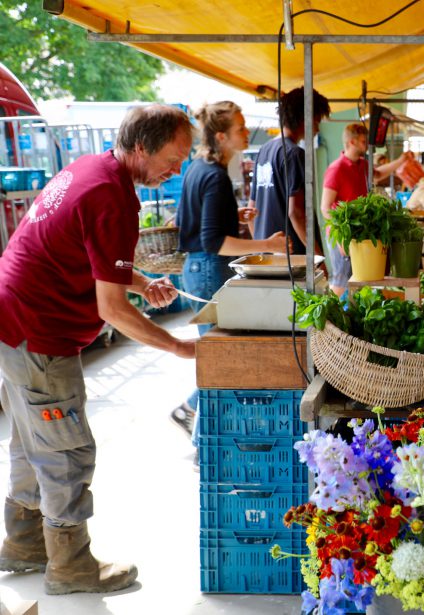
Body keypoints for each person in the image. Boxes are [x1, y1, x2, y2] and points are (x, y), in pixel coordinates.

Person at [0, 104, 196, 594]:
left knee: (31, 441)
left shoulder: (91, 169)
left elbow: (94, 258)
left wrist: (141, 281)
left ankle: (25, 543)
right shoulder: (113, 196)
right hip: (39, 331)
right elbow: (111, 309)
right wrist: (175, 346)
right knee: (66, 449)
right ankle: (69, 567)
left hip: (14, 322)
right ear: (140, 147)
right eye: (173, 159)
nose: (177, 170)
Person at [171, 102, 287, 439]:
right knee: (221, 361)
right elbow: (215, 243)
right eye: (240, 127)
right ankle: (200, 441)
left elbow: (189, 223)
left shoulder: (198, 168)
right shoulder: (216, 177)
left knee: (217, 356)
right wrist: (268, 244)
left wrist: (234, 218)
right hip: (208, 268)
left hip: (197, 267)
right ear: (221, 136)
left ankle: (190, 410)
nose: (246, 131)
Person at [320, 123, 415, 297]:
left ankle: (347, 318)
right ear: (352, 141)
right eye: (363, 140)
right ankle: (330, 320)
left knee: (357, 281)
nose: (367, 144)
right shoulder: (336, 169)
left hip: (359, 235)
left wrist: (402, 160)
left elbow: (378, 175)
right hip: (342, 234)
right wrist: (341, 236)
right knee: (341, 280)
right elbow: (325, 207)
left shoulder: (362, 165)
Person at [249, 87, 330, 254]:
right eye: (316, 121)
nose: (317, 129)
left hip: (268, 256)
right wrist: (317, 257)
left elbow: (252, 209)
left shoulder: (264, 150)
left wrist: (261, 247)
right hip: (292, 259)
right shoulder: (294, 154)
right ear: (304, 118)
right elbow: (297, 213)